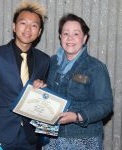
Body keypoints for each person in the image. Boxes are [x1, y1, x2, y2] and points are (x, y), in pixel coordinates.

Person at [0, 0, 50, 149]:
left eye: (34, 25)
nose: (28, 29)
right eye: (23, 23)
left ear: (39, 32)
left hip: (30, 136)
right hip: (0, 133)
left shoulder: (44, 60)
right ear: (14, 27)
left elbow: (44, 99)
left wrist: (43, 89)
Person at [33, 13, 113, 150]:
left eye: (76, 34)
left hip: (83, 139)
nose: (70, 38)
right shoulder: (52, 62)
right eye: (65, 34)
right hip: (51, 137)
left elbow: (105, 104)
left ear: (85, 38)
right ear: (60, 37)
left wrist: (77, 116)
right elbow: (48, 93)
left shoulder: (95, 67)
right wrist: (41, 86)